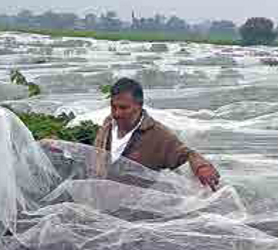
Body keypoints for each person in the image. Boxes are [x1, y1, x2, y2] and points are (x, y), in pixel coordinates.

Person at [93, 78, 221, 191]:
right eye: (113, 107)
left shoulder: (158, 134)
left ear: (139, 106)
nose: (117, 113)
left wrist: (202, 167)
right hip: (101, 198)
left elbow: (187, 154)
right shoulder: (108, 124)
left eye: (124, 108)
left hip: (133, 207)